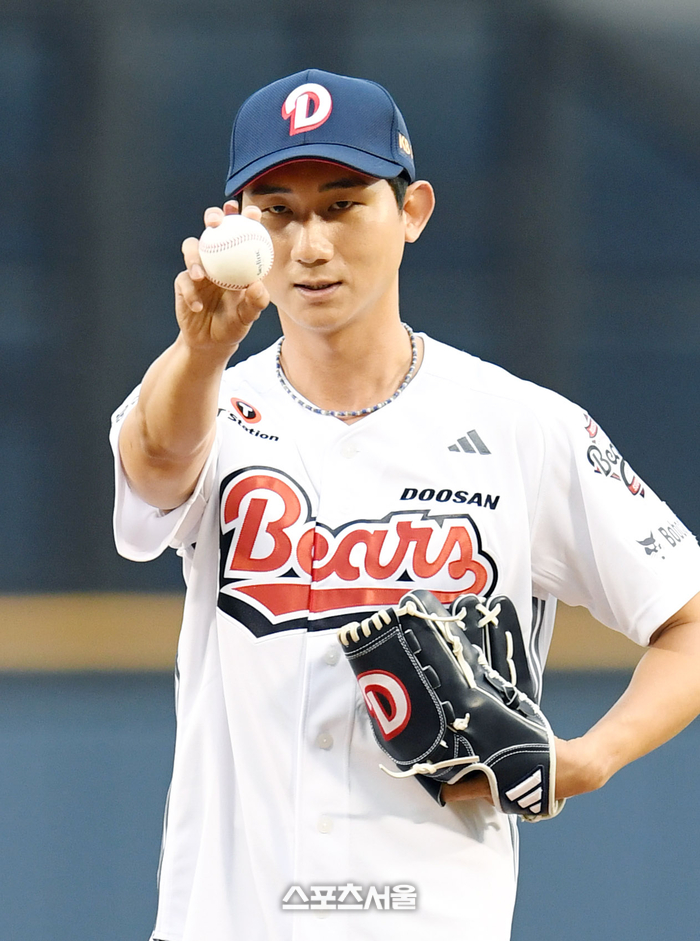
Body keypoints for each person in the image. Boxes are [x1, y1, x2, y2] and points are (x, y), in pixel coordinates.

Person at [110, 68, 700, 941]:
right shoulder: (204, 400)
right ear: (236, 227)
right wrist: (201, 350)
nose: (310, 244)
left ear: (412, 210)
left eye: (342, 204)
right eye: (278, 211)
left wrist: (592, 756)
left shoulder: (521, 426)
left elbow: (689, 617)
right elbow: (154, 470)